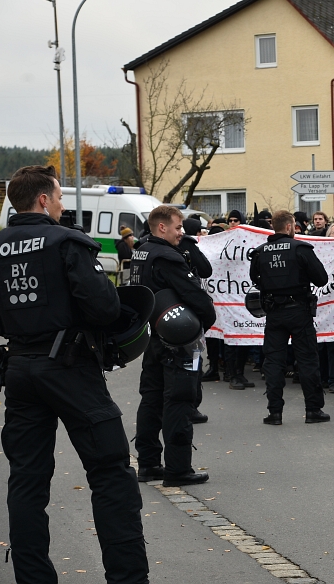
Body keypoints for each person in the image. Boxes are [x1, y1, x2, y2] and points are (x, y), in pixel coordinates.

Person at [0, 165, 149, 582]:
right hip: (71, 367)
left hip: (20, 368)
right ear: (43, 199)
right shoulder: (67, 241)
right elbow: (105, 307)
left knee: (26, 480)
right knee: (111, 473)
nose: (61, 204)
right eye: (58, 197)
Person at [130, 205, 216, 487]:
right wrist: (204, 322)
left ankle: (148, 463)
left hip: (152, 337)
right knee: (179, 401)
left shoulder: (141, 252)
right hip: (177, 341)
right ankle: (178, 469)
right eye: (178, 228)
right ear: (162, 227)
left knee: (151, 399)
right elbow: (196, 296)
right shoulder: (168, 257)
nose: (182, 233)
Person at [249, 211, 330, 425]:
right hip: (299, 311)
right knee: (307, 360)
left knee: (274, 363)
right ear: (288, 227)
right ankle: (313, 410)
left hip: (274, 313)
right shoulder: (300, 249)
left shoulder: (260, 252)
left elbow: (254, 279)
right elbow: (321, 279)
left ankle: (274, 412)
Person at [179, 217, 213, 424]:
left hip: (161, 314)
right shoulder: (188, 245)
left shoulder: (149, 246)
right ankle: (191, 407)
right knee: (193, 359)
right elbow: (206, 269)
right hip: (188, 311)